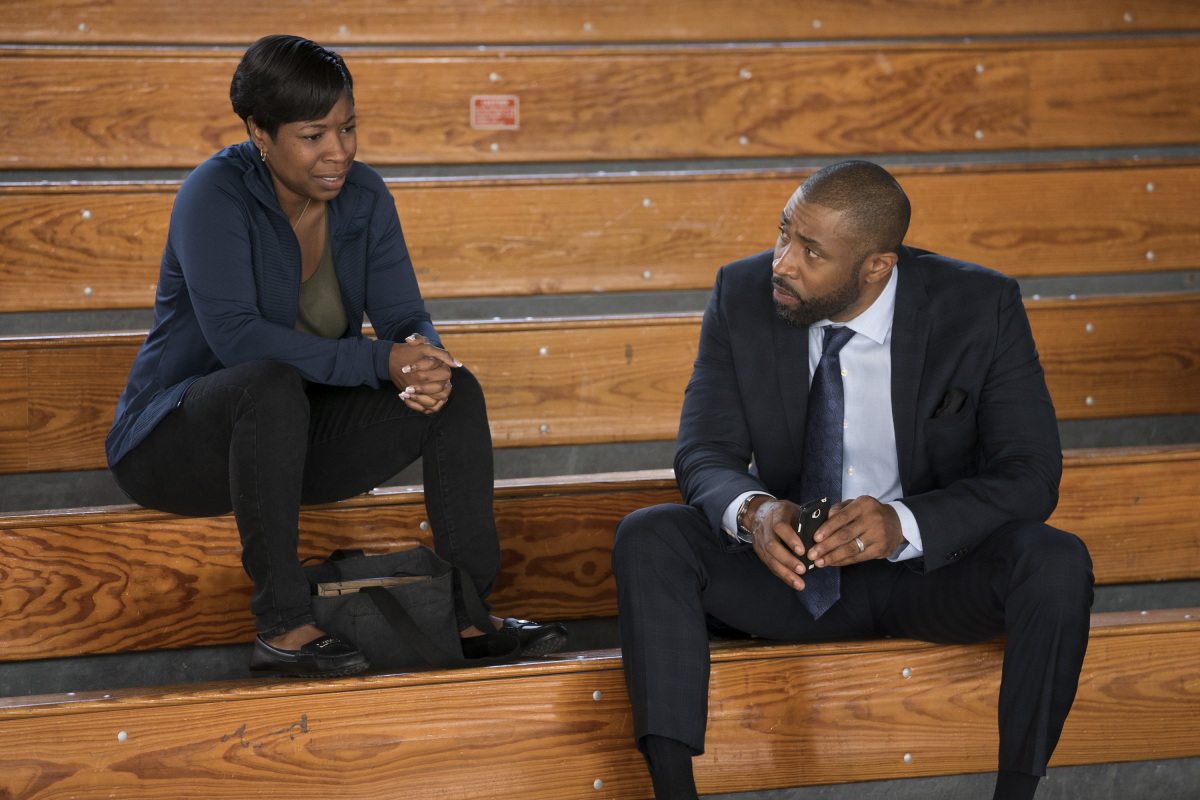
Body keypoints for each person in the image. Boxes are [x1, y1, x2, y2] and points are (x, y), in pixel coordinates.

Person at [612, 160, 1093, 799]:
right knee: (651, 536)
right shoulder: (742, 292)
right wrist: (756, 512)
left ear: (876, 267)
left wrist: (903, 523)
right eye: (784, 233)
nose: (783, 262)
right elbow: (704, 452)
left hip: (930, 576)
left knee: (1056, 561)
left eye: (811, 252)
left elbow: (1030, 474)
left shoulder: (979, 306)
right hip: (794, 573)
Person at [106, 34, 567, 678]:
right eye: (313, 135)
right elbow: (238, 339)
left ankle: (466, 614)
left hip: (290, 443)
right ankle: (282, 624)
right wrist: (381, 362)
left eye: (348, 128)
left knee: (458, 391)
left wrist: (424, 361)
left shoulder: (365, 195)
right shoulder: (213, 195)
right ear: (259, 132)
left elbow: (404, 318)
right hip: (176, 447)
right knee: (265, 384)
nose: (339, 151)